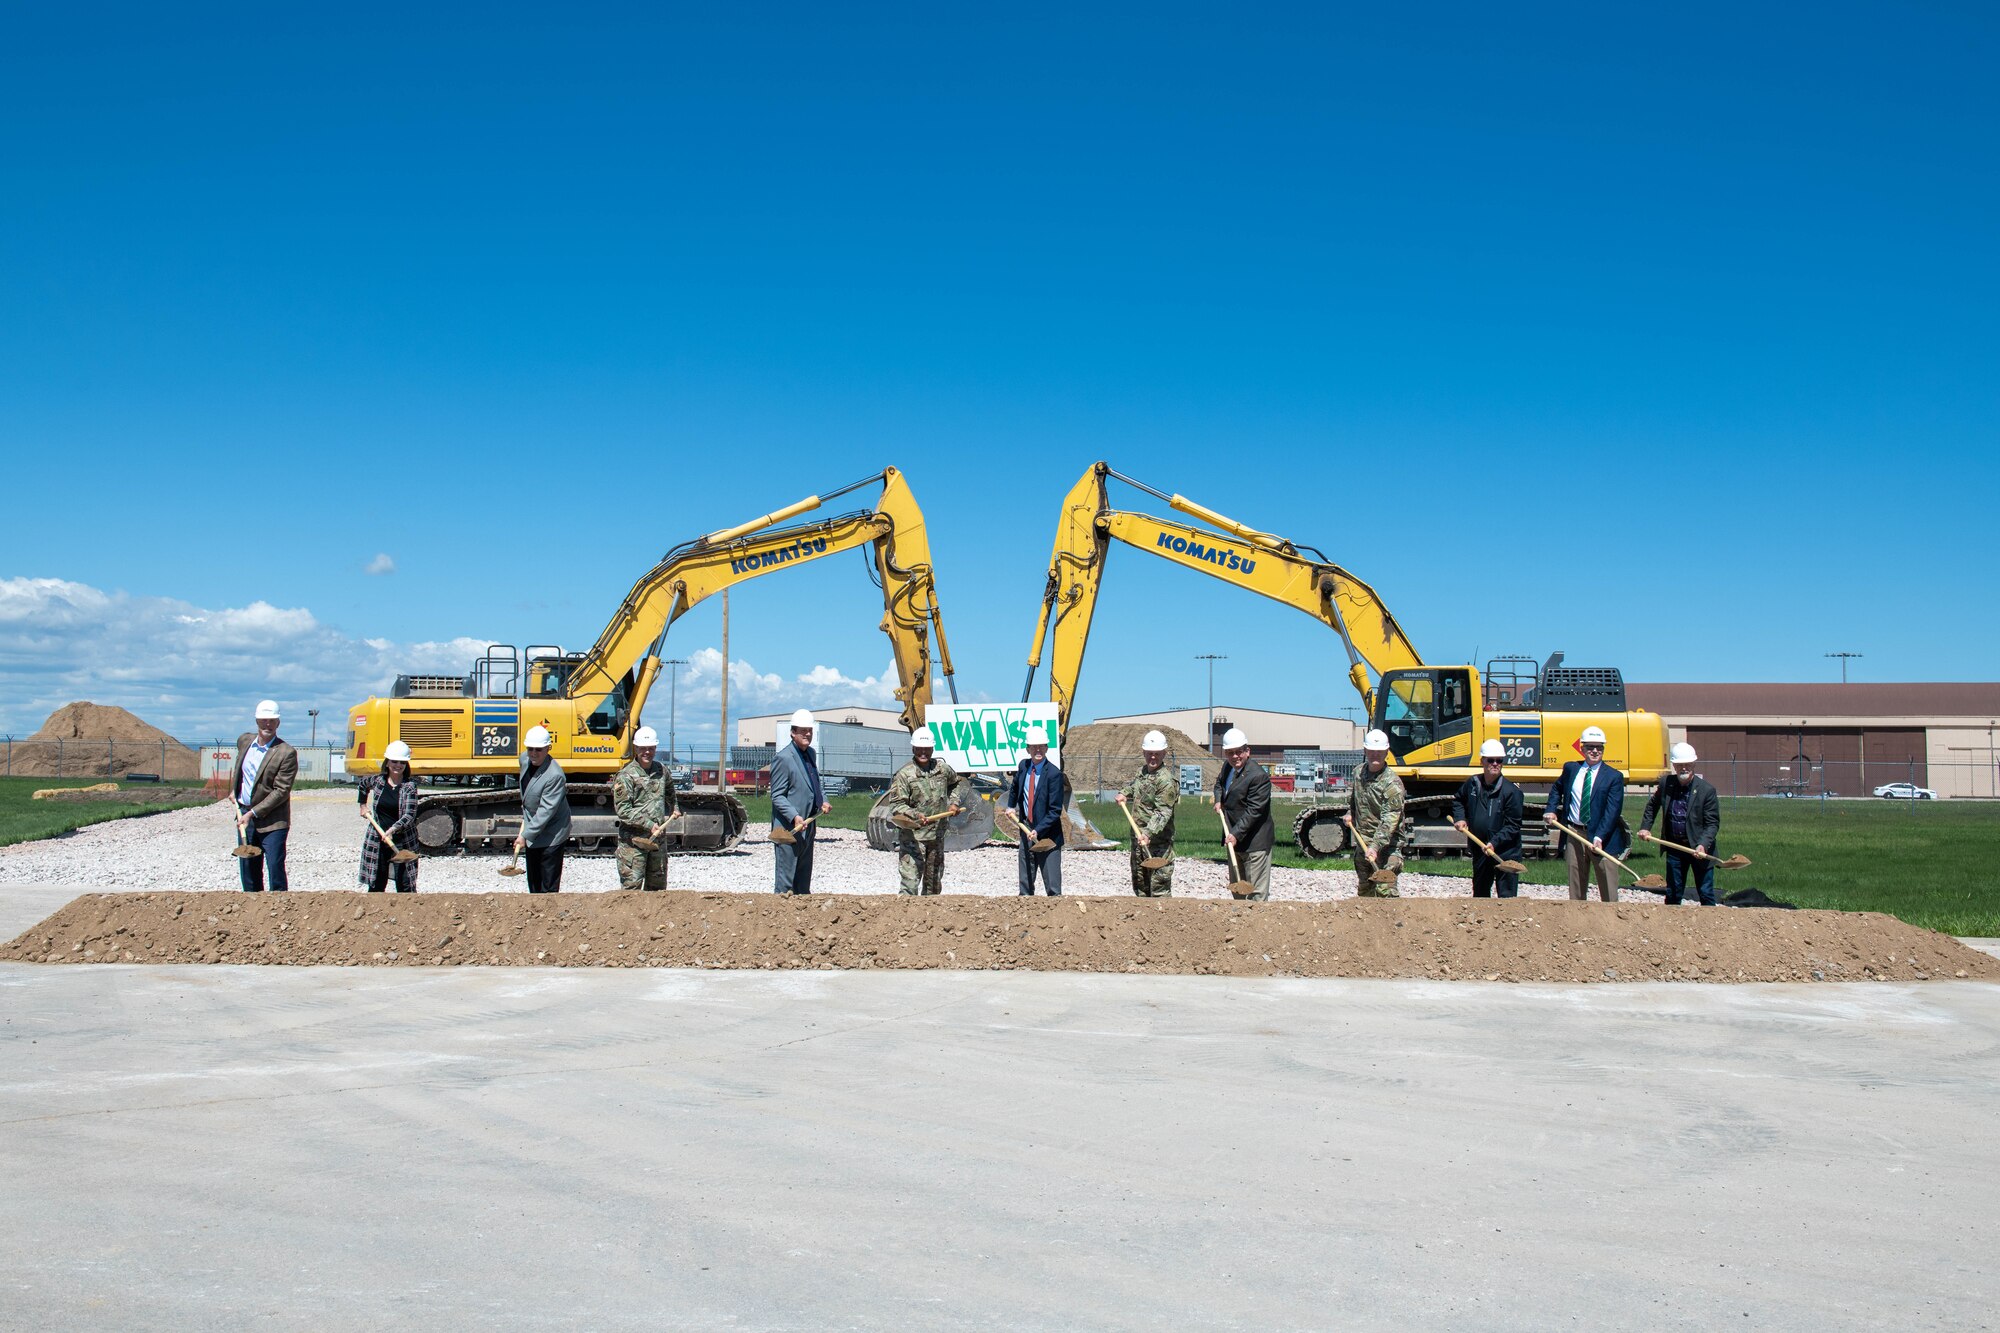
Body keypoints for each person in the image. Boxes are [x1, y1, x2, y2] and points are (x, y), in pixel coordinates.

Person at [1543, 725, 1628, 902]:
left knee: (1607, 883)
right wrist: (1551, 809)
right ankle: (1578, 919)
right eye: (1590, 747)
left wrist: (1600, 836)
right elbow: (1557, 789)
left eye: (1599, 747)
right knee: (1576, 882)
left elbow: (1613, 811)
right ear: (1582, 748)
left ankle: (1611, 920)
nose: (1595, 751)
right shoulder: (1571, 769)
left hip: (1602, 837)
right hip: (1574, 833)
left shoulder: (1613, 777)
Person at [1639, 742, 1722, 906]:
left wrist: (1703, 845)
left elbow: (1712, 823)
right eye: (1679, 765)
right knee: (1673, 893)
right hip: (1675, 848)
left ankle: (1711, 928)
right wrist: (1645, 827)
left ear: (1693, 764)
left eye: (1687, 764)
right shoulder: (1666, 784)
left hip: (1699, 849)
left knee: (1705, 893)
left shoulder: (1706, 790)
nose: (1683, 768)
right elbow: (1652, 805)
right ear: (1674, 766)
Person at [883, 728, 961, 895]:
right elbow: (896, 805)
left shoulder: (943, 769)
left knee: (933, 886)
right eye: (919, 748)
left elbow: (955, 783)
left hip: (936, 836)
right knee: (910, 885)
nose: (923, 752)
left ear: (933, 749)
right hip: (913, 839)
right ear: (913, 749)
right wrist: (915, 814)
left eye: (926, 749)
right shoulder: (904, 775)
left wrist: (953, 803)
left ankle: (930, 919)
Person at [231, 700, 298, 892]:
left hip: (273, 821)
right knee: (248, 867)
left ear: (278, 723)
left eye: (272, 720)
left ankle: (279, 908)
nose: (267, 724)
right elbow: (241, 771)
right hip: (245, 816)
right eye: (263, 720)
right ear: (256, 721)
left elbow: (281, 791)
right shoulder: (244, 741)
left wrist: (252, 812)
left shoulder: (286, 753)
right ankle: (252, 907)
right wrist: (235, 791)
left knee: (275, 866)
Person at [1453, 739, 1523, 898]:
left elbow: (1513, 826)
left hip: (1505, 852)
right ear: (1482, 761)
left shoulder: (1512, 792)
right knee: (1480, 893)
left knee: (1506, 896)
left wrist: (1494, 842)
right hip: (1480, 849)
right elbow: (1458, 800)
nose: (1495, 764)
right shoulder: (1472, 783)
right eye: (1491, 760)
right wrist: (1460, 818)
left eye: (1499, 760)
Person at [770, 708, 830, 895]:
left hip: (807, 828)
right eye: (803, 730)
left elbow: (815, 784)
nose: (808, 734)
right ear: (792, 732)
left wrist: (824, 801)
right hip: (789, 830)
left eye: (810, 730)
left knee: (803, 885)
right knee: (785, 885)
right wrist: (794, 816)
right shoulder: (784, 758)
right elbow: (777, 795)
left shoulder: (810, 754)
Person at [613, 726, 677, 891]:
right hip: (633, 843)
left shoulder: (661, 771)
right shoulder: (626, 775)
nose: (647, 752)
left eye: (650, 748)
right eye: (643, 748)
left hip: (657, 842)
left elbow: (670, 791)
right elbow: (623, 811)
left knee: (657, 891)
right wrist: (649, 825)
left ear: (655, 748)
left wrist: (674, 807)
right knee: (631, 890)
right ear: (636, 748)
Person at [1115, 730, 1178, 897]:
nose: (1153, 758)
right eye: (1149, 753)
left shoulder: (1166, 780)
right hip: (1138, 841)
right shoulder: (1142, 772)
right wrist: (1124, 793)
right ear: (1144, 752)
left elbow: (1163, 812)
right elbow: (1135, 785)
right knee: (1141, 888)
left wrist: (1148, 833)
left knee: (1158, 890)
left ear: (1164, 753)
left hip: (1157, 844)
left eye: (1157, 754)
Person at [1214, 728, 1274, 900]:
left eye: (1239, 752)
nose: (1234, 757)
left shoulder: (1258, 777)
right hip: (1234, 837)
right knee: (1238, 890)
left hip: (1255, 841)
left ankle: (1256, 924)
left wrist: (1235, 834)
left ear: (1247, 751)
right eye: (1230, 753)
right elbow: (1218, 784)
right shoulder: (1228, 767)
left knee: (1255, 892)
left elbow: (1254, 811)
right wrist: (1219, 800)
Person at [1349, 730, 1406, 898]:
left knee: (1385, 889)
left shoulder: (1392, 784)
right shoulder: (1358, 773)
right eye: (1372, 751)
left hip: (1387, 847)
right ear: (1365, 751)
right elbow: (1354, 799)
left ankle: (1390, 923)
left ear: (1386, 752)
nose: (1375, 755)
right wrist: (1349, 813)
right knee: (1365, 888)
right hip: (1364, 844)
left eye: (1379, 752)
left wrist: (1375, 847)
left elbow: (1390, 821)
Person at [1007, 735, 1067, 896]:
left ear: (1047, 748)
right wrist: (1010, 806)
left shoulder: (1054, 774)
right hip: (1026, 828)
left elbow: (1055, 810)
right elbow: (1015, 787)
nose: (1038, 750)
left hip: (1048, 835)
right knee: (1025, 884)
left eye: (1041, 746)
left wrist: (1038, 830)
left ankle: (1056, 915)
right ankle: (1025, 912)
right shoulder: (1023, 766)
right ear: (1028, 749)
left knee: (1053, 887)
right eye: (1034, 747)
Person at [357, 740, 419, 892]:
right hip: (378, 837)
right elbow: (363, 784)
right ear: (387, 762)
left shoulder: (409, 787)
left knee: (405, 884)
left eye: (402, 762)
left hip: (402, 840)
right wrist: (363, 805)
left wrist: (392, 830)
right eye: (394, 761)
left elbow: (409, 815)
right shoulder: (378, 781)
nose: (398, 765)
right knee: (377, 882)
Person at [515, 725, 570, 893]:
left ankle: (549, 915)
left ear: (548, 748)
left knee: (547, 884)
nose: (533, 753)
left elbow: (545, 812)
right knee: (534, 882)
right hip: (533, 828)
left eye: (538, 749)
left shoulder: (555, 776)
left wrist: (525, 836)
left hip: (552, 833)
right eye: (530, 749)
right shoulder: (525, 759)